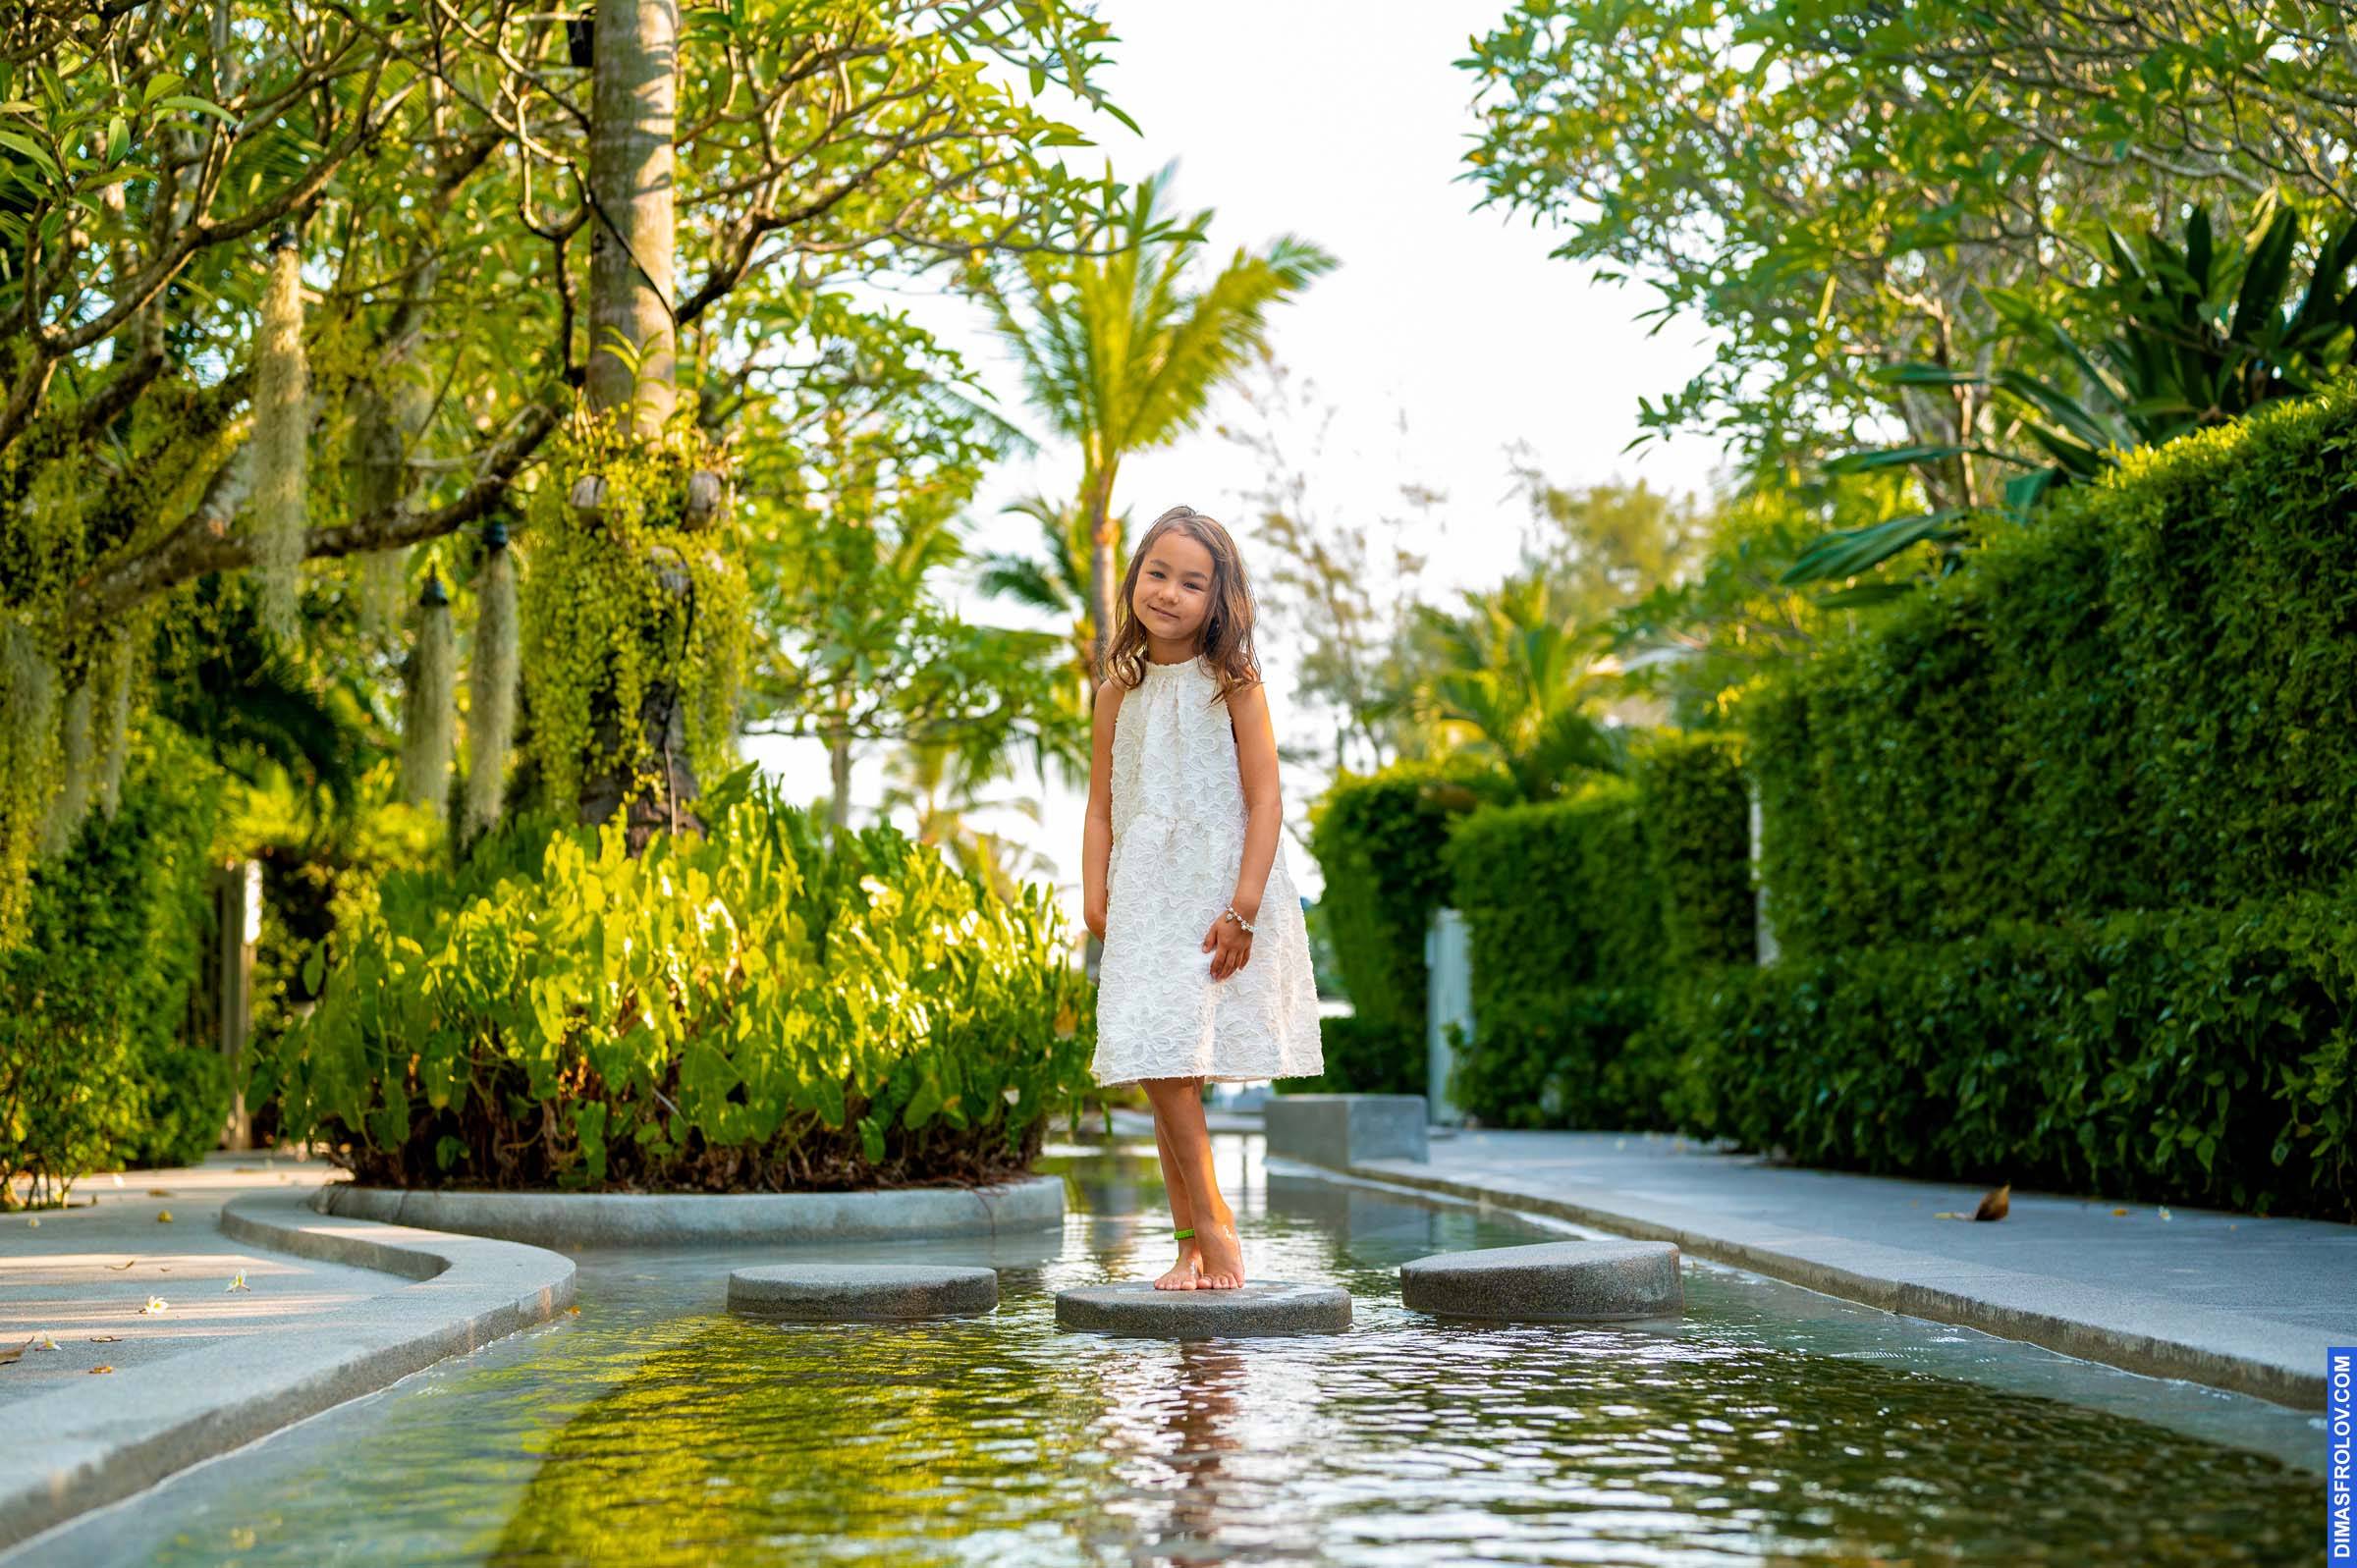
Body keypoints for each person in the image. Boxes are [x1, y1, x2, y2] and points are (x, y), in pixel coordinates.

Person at [1081, 504, 1324, 1292]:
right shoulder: (1116, 691)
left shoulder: (1235, 686)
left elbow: (1266, 801)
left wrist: (1244, 907)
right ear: (1134, 578)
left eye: (1192, 582)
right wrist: (1094, 895)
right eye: (1158, 573)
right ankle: (1190, 1241)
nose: (1169, 592)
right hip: (1143, 893)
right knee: (1158, 1060)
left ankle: (1213, 1227)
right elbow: (1101, 805)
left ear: (1219, 599)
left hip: (1216, 892)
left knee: (1172, 1065)